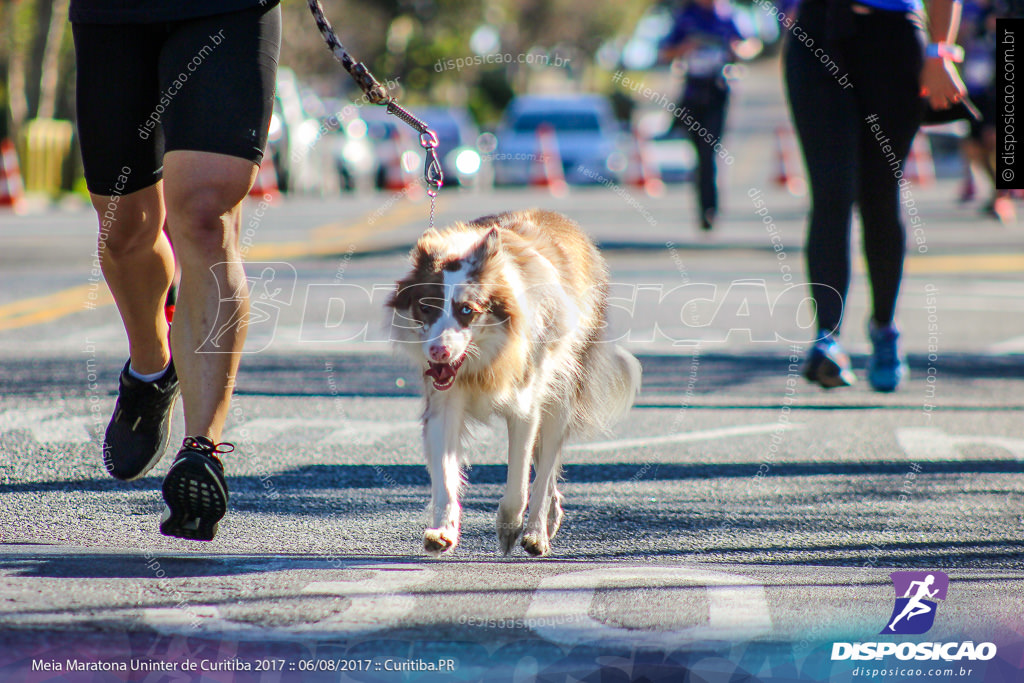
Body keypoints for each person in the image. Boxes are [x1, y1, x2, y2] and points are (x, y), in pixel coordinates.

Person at [70, 0, 281, 540]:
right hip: (113, 16)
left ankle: (200, 450)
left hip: (229, 8)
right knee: (124, 228)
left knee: (205, 214)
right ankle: (151, 366)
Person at [784, 0, 967, 391]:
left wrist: (939, 51)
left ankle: (884, 329)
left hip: (893, 40)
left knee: (879, 194)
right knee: (832, 192)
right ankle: (827, 339)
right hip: (818, 36)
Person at [659, 0, 743, 231]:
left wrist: (736, 50)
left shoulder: (727, 15)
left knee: (709, 152)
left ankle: (710, 210)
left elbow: (749, 45)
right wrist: (685, 48)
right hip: (693, 94)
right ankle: (703, 208)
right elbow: (665, 52)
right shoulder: (685, 17)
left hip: (717, 92)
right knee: (699, 155)